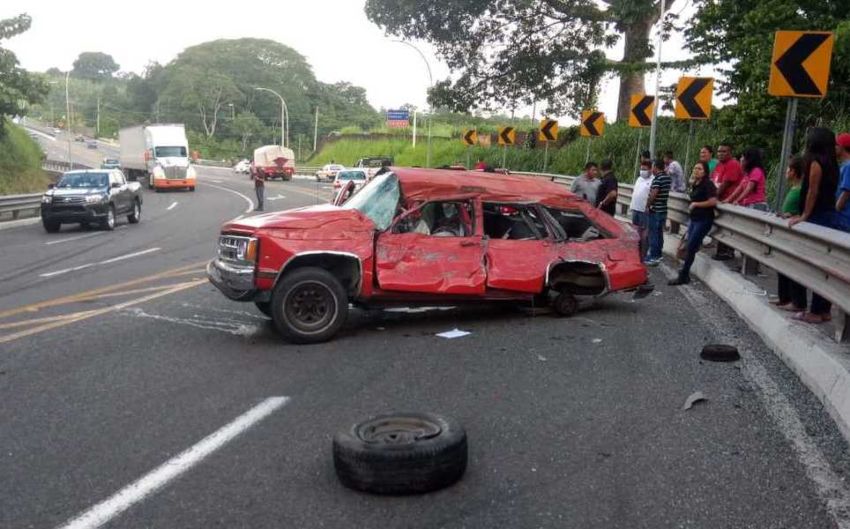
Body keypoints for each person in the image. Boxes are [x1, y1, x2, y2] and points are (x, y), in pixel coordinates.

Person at [789, 127, 840, 324]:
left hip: (817, 217)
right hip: (828, 215)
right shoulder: (832, 163)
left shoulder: (815, 163)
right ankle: (823, 310)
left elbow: (812, 191)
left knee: (812, 264)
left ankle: (816, 311)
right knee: (823, 265)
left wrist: (804, 215)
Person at [669, 161, 718, 286]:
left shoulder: (708, 184)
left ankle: (684, 275)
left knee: (691, 247)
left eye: (700, 169)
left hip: (704, 219)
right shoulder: (696, 184)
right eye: (695, 168)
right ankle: (684, 272)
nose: (696, 170)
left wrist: (696, 204)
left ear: (705, 171)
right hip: (694, 219)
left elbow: (713, 201)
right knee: (689, 246)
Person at [772, 156, 806, 311]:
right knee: (783, 267)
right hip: (787, 232)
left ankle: (796, 301)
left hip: (796, 235)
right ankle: (784, 298)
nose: (786, 172)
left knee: (793, 268)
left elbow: (802, 212)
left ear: (794, 171)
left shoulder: (801, 190)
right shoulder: (794, 188)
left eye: (788, 169)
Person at [711, 142, 744, 260]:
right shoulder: (719, 165)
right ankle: (721, 251)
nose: (721, 154)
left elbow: (725, 185)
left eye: (724, 151)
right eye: (719, 151)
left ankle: (727, 252)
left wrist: (710, 197)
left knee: (727, 228)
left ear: (730, 153)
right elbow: (712, 181)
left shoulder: (733, 164)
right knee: (721, 227)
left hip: (729, 202)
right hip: (720, 202)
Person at [645, 159, 672, 266]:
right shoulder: (667, 178)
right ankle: (659, 254)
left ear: (656, 167)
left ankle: (654, 256)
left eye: (652, 167)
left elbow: (653, 194)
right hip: (663, 210)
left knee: (653, 234)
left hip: (655, 210)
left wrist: (648, 205)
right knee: (659, 233)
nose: (651, 170)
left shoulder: (657, 179)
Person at [630, 160, 653, 261]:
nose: (642, 171)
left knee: (644, 235)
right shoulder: (639, 179)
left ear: (650, 169)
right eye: (641, 169)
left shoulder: (653, 180)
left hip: (644, 211)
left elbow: (652, 195)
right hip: (635, 208)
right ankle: (635, 253)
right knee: (635, 232)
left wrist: (648, 207)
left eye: (645, 169)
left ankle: (643, 255)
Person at [836, 132, 850, 232]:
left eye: (836, 145)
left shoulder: (848, 166)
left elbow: (846, 192)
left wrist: (835, 210)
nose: (834, 148)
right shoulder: (844, 166)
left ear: (842, 147)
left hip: (844, 218)